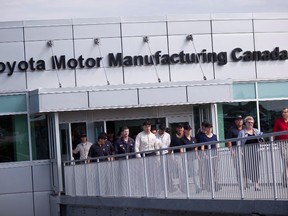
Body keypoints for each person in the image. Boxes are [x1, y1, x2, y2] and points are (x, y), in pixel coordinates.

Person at [238, 116, 263, 191]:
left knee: (256, 168)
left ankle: (256, 185)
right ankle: (245, 183)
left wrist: (261, 140)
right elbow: (239, 143)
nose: (250, 124)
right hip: (246, 153)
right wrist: (240, 151)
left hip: (255, 152)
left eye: (252, 122)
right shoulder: (242, 132)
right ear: (245, 123)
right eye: (249, 122)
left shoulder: (256, 131)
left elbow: (262, 138)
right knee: (246, 168)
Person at [197, 122, 221, 192]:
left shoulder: (214, 136)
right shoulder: (203, 137)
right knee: (208, 171)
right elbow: (202, 148)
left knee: (215, 170)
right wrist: (205, 155)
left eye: (210, 127)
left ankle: (215, 183)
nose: (209, 129)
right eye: (208, 127)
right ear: (206, 128)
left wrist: (218, 154)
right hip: (207, 157)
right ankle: (208, 185)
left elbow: (216, 146)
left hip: (214, 156)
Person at [181, 124, 202, 194]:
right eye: (187, 130)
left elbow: (195, 148)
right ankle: (184, 188)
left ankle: (198, 187)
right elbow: (182, 150)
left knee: (195, 172)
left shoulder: (193, 139)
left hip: (194, 158)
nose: (189, 131)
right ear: (185, 131)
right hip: (187, 158)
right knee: (186, 174)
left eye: (190, 130)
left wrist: (197, 156)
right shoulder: (183, 139)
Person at [226, 115, 245, 184]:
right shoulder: (232, 129)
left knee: (245, 166)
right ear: (235, 121)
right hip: (236, 151)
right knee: (238, 167)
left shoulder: (245, 128)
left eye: (241, 120)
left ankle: (245, 181)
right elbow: (229, 141)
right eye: (238, 120)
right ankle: (240, 181)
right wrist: (231, 151)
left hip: (245, 150)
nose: (239, 121)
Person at [273, 107, 288, 188]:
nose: (284, 114)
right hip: (282, 143)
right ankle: (285, 181)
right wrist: (272, 143)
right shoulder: (278, 122)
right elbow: (275, 133)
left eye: (285, 112)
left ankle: (285, 180)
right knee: (286, 161)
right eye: (282, 112)